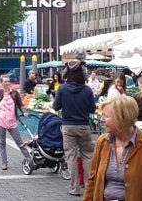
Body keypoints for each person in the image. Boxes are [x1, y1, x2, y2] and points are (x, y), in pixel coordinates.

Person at [84, 95, 142, 201]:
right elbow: (92, 180)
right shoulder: (102, 142)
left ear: (122, 118)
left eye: (106, 116)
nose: (102, 119)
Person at [52, 60, 96, 196]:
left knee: (71, 157)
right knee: (88, 156)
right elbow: (92, 109)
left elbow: (55, 107)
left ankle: (74, 188)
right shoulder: (87, 90)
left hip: (68, 126)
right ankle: (90, 187)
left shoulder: (62, 88)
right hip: (84, 126)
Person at [0, 75, 30, 170]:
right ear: (1, 83)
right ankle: (4, 163)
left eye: (8, 81)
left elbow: (20, 104)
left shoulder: (14, 93)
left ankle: (29, 159)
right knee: (2, 143)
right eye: (5, 81)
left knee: (19, 142)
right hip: (1, 120)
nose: (7, 83)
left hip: (12, 120)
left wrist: (24, 112)